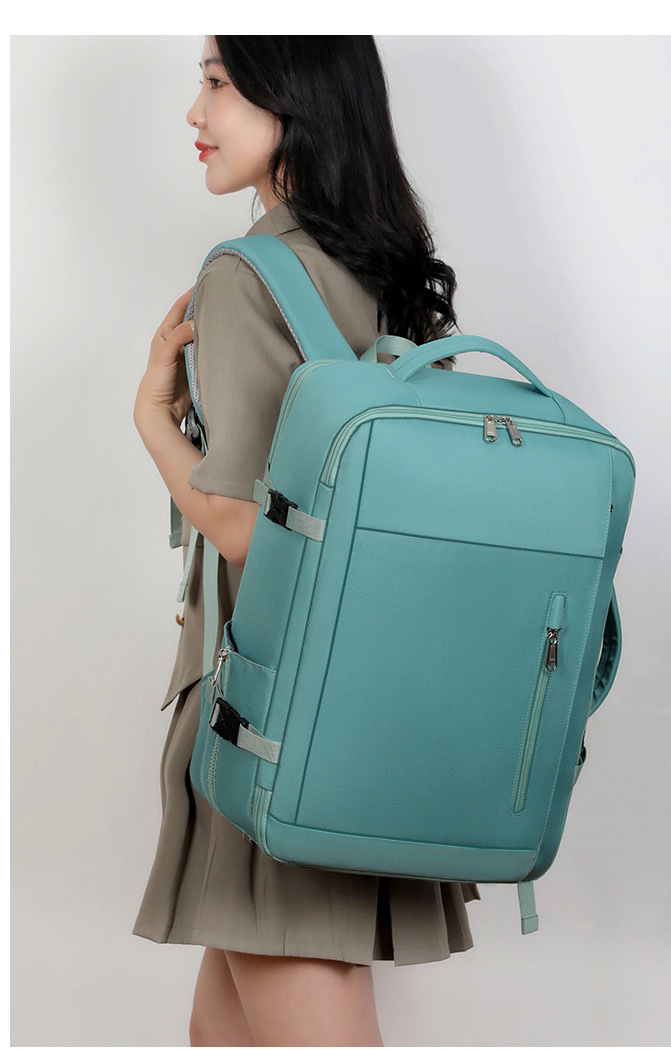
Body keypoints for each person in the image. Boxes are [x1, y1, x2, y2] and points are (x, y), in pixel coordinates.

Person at [132, 35, 479, 1047]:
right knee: (222, 1034)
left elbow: (247, 529)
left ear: (294, 94)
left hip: (270, 711)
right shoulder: (388, 274)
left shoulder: (249, 273)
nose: (195, 113)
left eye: (217, 82)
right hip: (374, 705)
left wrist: (152, 422)